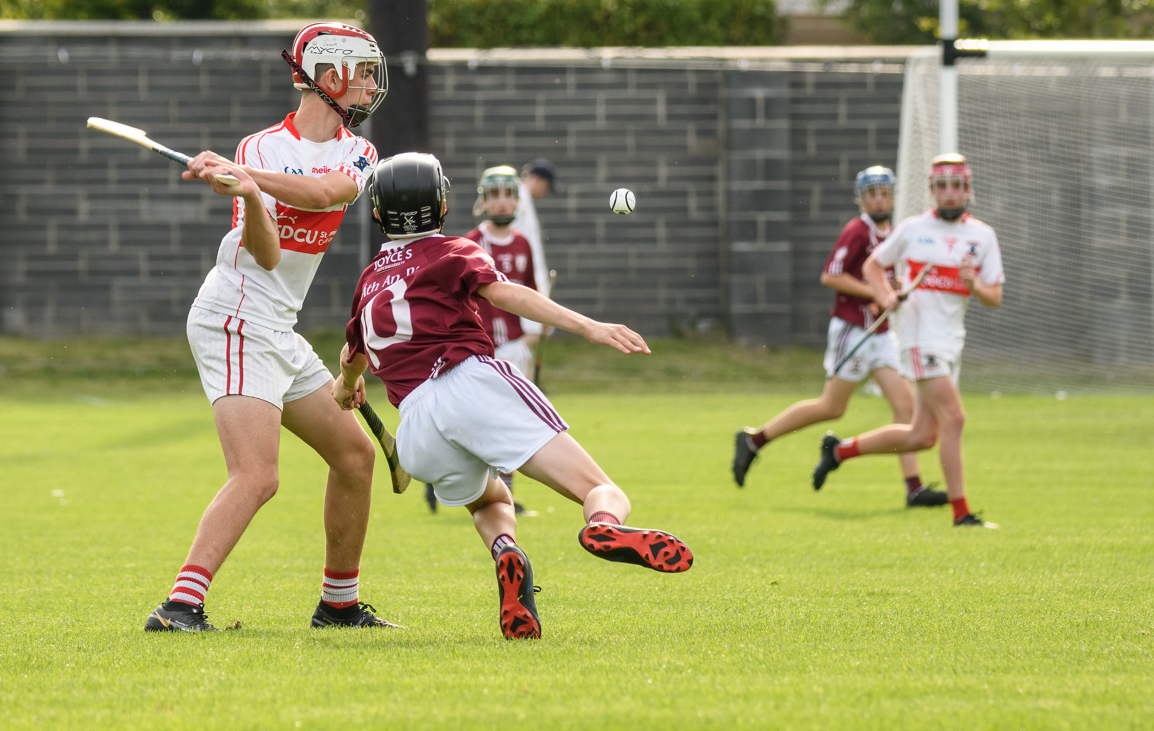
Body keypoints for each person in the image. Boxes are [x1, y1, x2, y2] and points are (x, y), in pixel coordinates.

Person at [335, 152, 693, 640]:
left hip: (415, 426)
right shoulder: (453, 251)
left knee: (488, 502)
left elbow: (352, 355)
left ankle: (506, 550)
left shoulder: (369, 280)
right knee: (597, 489)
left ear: (377, 213)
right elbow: (504, 294)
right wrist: (589, 326)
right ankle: (603, 524)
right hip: (470, 383)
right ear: (442, 202)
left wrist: (346, 387)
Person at [144, 22, 400, 632]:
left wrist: (253, 184)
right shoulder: (258, 148)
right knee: (257, 475)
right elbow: (266, 255)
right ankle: (180, 605)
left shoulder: (357, 153)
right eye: (362, 71)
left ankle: (338, 605)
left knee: (355, 455)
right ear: (329, 76)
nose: (370, 84)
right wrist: (254, 198)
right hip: (233, 317)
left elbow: (324, 195)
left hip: (277, 329)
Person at [731, 166, 947, 508]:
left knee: (905, 407)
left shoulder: (896, 232)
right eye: (871, 193)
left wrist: (896, 292)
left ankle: (914, 487)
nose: (879, 199)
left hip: (882, 334)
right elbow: (831, 276)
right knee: (831, 407)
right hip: (853, 330)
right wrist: (874, 291)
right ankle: (754, 440)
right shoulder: (857, 230)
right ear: (861, 199)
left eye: (884, 192)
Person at [810, 153, 1004, 528]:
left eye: (957, 186)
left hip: (951, 341)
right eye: (942, 187)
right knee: (955, 417)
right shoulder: (914, 229)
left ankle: (840, 451)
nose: (950, 195)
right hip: (918, 339)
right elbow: (873, 265)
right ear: (932, 191)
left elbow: (994, 297)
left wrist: (973, 284)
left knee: (922, 435)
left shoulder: (982, 236)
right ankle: (961, 513)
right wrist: (884, 297)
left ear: (968, 190)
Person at [425, 165, 543, 515]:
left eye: (509, 195)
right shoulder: (471, 243)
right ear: (483, 201)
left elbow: (531, 290)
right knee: (478, 419)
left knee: (514, 419)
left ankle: (506, 494)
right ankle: (439, 476)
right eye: (495, 195)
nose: (503, 203)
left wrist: (535, 330)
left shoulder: (522, 243)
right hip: (480, 347)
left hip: (516, 345)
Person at [512, 158, 558, 296]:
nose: (545, 192)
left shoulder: (523, 197)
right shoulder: (518, 198)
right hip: (525, 281)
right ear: (537, 179)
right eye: (546, 186)